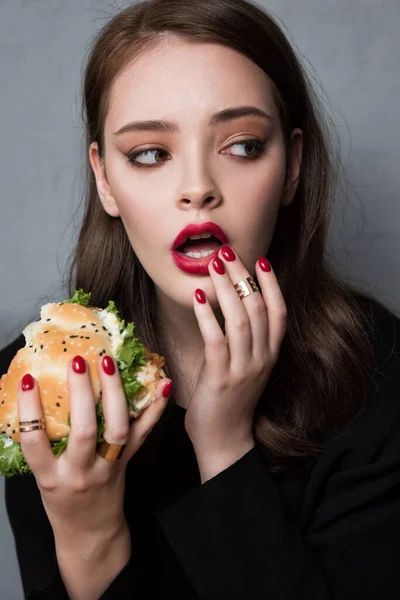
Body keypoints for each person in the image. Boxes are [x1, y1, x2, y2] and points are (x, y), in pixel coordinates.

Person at [1, 0, 399, 598]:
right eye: (150, 154)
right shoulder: (49, 386)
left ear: (292, 166)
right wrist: (89, 538)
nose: (197, 189)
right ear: (104, 178)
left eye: (240, 145)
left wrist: (224, 445)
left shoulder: (381, 370)